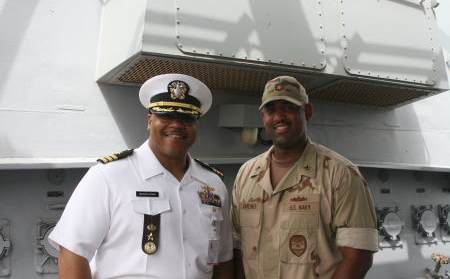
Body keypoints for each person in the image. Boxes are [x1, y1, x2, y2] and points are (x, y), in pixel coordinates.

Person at [49, 74, 234, 279]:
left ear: (196, 125)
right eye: (166, 116)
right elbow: (72, 252)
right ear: (149, 121)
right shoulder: (108, 176)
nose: (177, 125)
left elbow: (223, 258)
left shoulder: (214, 184)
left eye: (187, 118)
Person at [231, 76, 378, 279]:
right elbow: (238, 244)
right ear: (263, 116)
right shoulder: (246, 175)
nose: (279, 116)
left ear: (307, 112)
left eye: (288, 107)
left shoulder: (339, 173)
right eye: (271, 109)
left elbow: (358, 256)